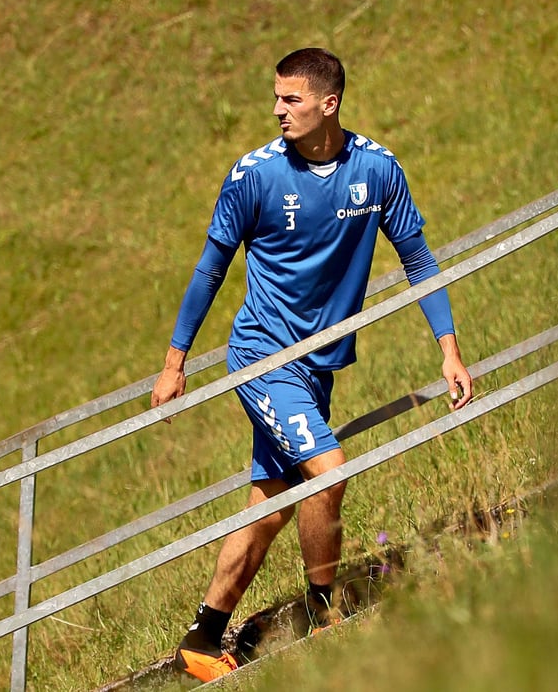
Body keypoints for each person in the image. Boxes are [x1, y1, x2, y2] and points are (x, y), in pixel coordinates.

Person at [150, 47, 472, 682]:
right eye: (275, 98)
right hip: (263, 356)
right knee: (328, 474)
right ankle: (326, 614)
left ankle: (202, 639)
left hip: (318, 366)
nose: (277, 110)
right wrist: (175, 361)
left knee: (271, 506)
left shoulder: (378, 170)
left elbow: (419, 258)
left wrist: (449, 348)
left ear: (329, 105)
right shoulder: (254, 176)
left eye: (290, 99)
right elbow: (210, 269)